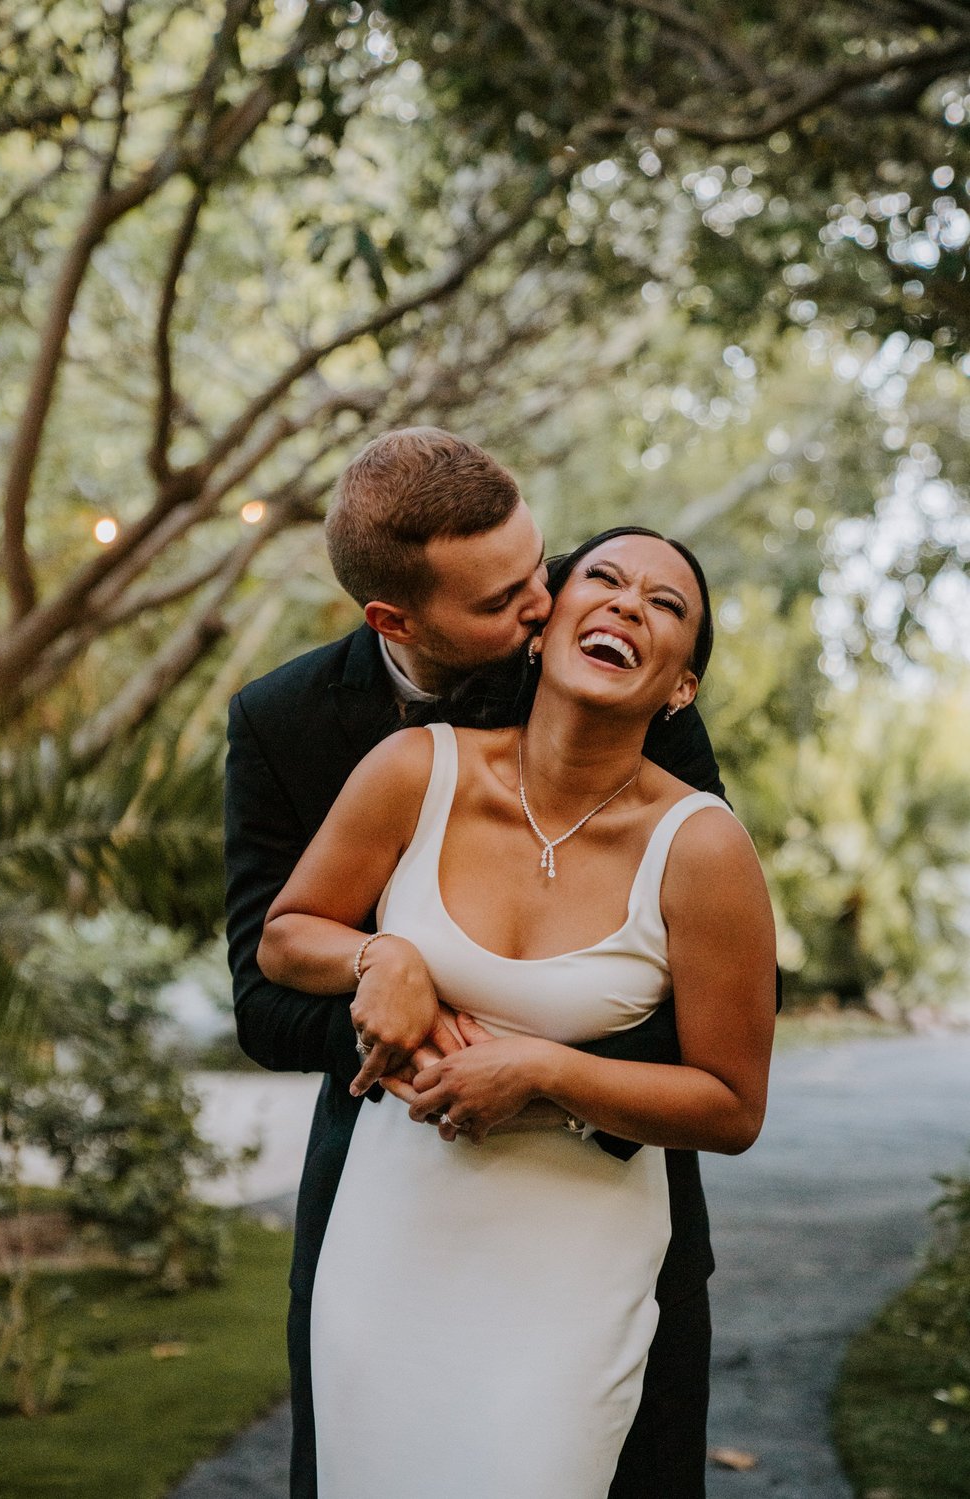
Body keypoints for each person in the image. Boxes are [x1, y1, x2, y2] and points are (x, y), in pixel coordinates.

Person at [225, 428, 739, 1499]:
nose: (549, 607)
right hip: (395, 1187)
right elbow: (264, 989)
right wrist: (393, 990)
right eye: (509, 598)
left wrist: (533, 1063)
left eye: (544, 569)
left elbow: (716, 987)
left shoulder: (617, 684)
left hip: (600, 1190)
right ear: (394, 620)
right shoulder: (285, 724)